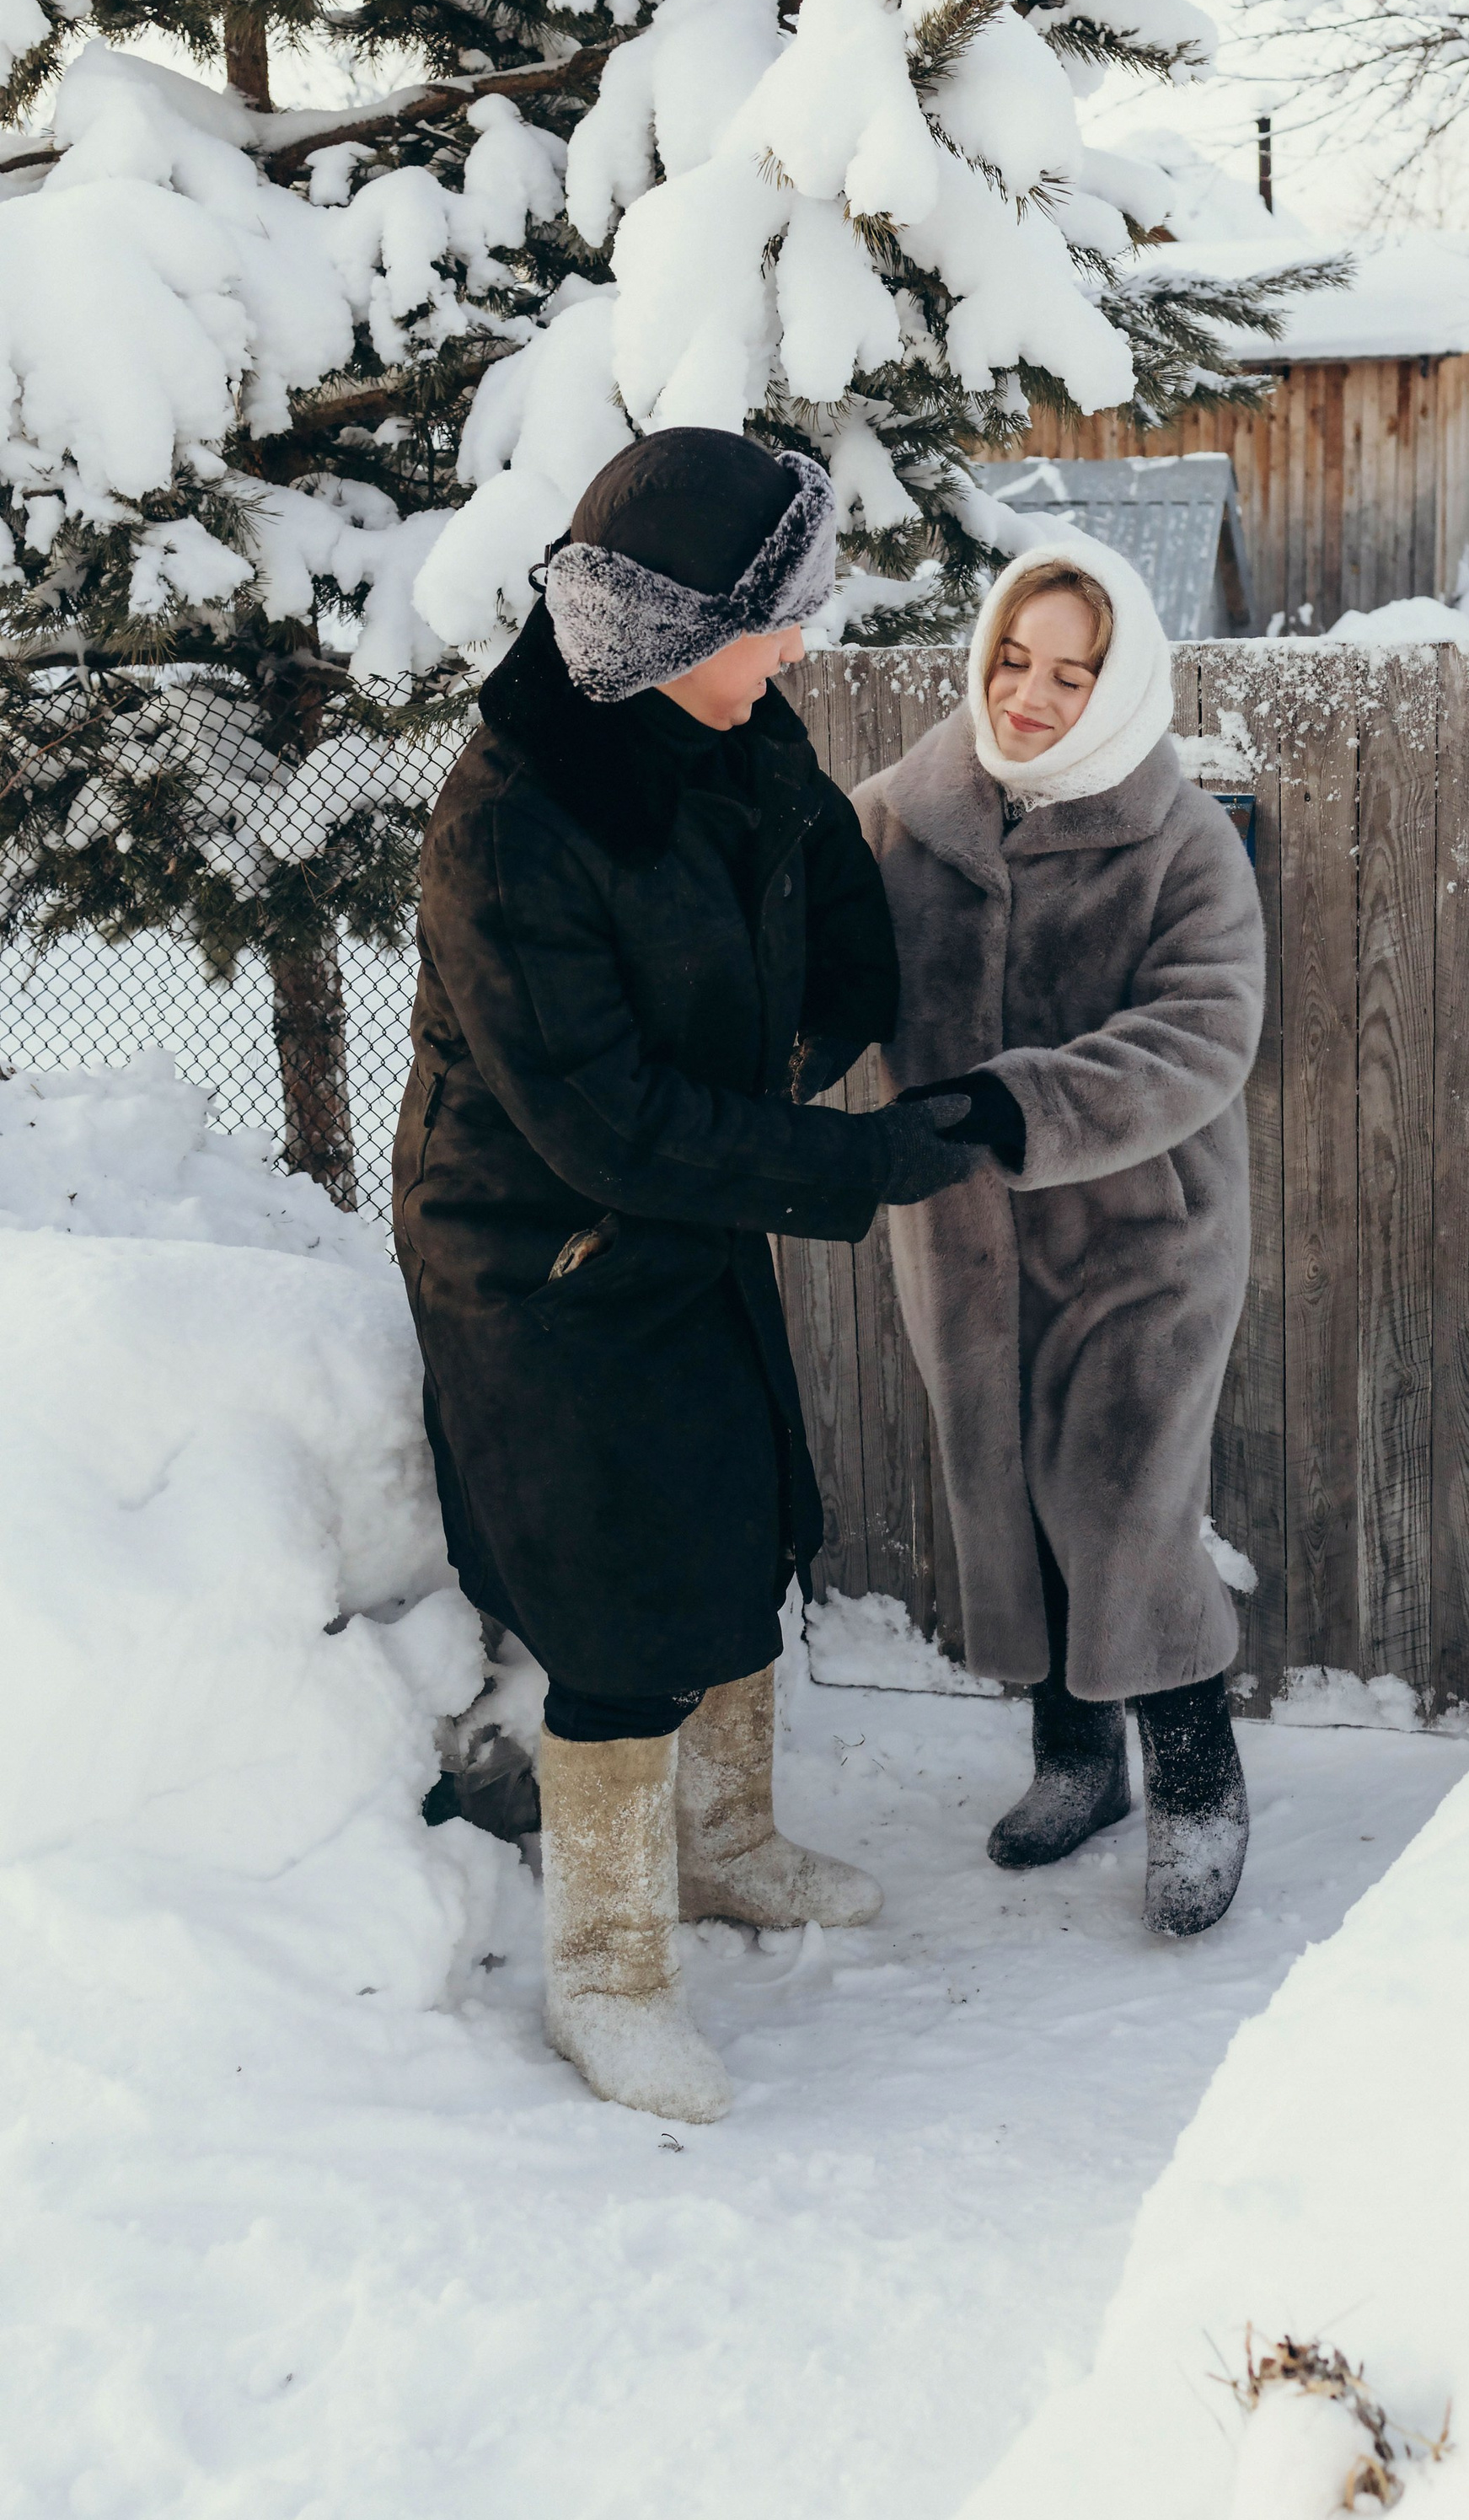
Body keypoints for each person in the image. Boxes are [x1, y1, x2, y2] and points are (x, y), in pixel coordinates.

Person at [393, 429, 984, 2124]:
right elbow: (605, 1125)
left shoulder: (724, 724)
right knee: (618, 1604)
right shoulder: (512, 822)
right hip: (545, 1252)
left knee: (738, 1522)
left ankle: (724, 1845)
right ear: (673, 630)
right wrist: (859, 1160)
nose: (801, 647)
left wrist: (852, 1019)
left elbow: (817, 888)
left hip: (688, 1206)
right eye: (775, 619)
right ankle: (607, 1969)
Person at [851, 535, 1266, 1936]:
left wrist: (1006, 1103)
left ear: (1122, 680)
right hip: (964, 1244)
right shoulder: (902, 816)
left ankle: (1199, 1773)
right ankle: (1076, 1761)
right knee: (1009, 1497)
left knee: (1127, 1500)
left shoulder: (1182, 837)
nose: (1027, 695)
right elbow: (810, 966)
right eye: (1013, 659)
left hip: (1146, 1238)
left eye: (1070, 672)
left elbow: (1203, 1035)